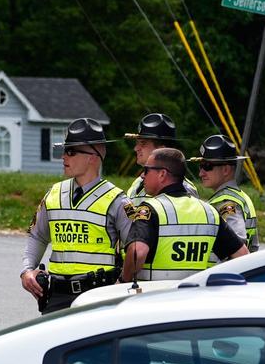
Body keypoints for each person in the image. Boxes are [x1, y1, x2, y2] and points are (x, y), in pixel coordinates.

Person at [21, 118, 134, 313]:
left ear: (93, 156)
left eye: (71, 152)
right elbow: (37, 236)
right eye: (64, 150)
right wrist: (27, 270)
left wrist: (123, 282)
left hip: (99, 294)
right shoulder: (54, 193)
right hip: (56, 295)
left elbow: (134, 249)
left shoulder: (117, 200)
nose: (64, 156)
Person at [122, 148, 248, 281]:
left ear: (162, 174)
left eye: (147, 170)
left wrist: (124, 280)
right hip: (192, 297)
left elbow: (138, 252)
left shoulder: (150, 209)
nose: (142, 175)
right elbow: (243, 255)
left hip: (155, 297)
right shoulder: (209, 213)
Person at [192, 134, 261, 252]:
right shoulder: (240, 197)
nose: (201, 173)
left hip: (221, 270)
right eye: (200, 166)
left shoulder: (227, 202)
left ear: (226, 170)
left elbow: (237, 242)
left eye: (207, 166)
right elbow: (254, 246)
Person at [123, 112, 198, 200]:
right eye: (137, 143)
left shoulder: (183, 188)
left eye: (143, 143)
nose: (136, 148)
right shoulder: (138, 182)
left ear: (162, 149)